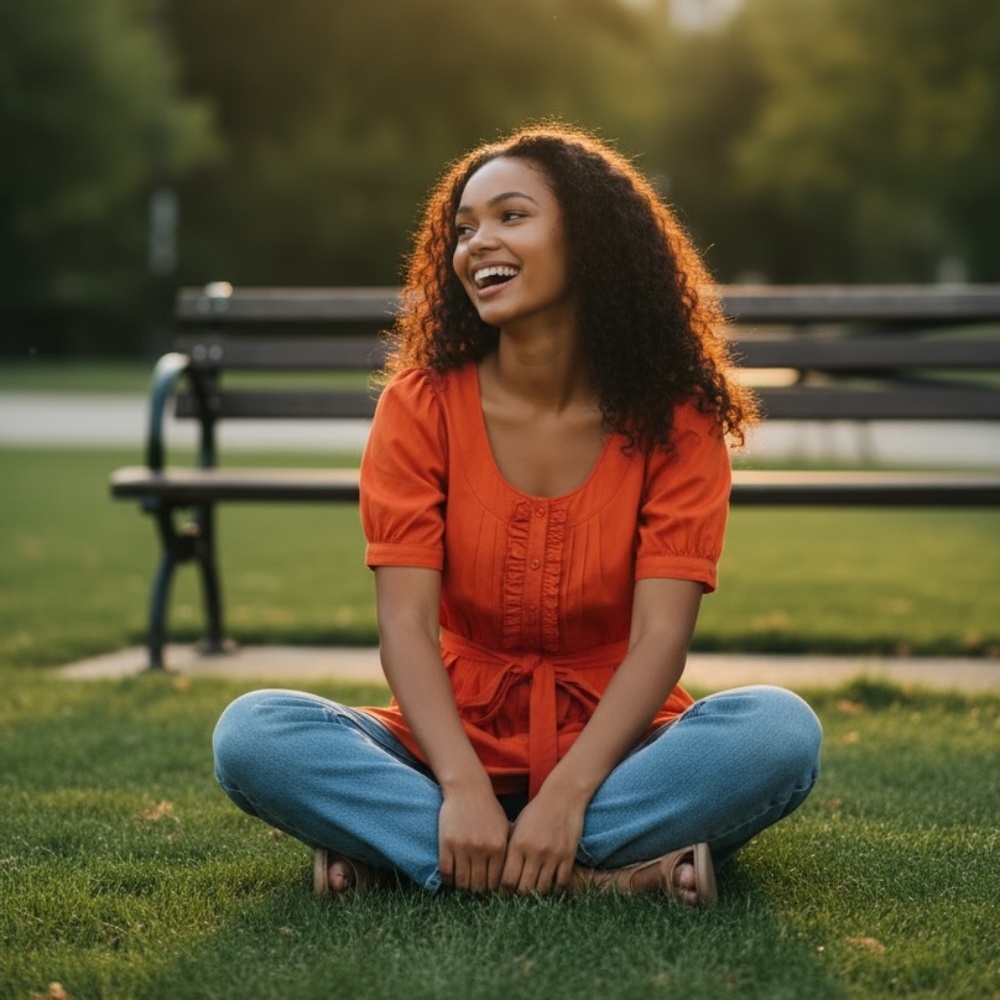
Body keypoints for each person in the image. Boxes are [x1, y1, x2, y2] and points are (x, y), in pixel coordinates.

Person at [213, 124, 822, 906]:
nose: (477, 243)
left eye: (510, 216)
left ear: (591, 238)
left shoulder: (679, 420)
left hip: (621, 755)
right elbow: (404, 625)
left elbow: (660, 637)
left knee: (779, 732)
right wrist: (463, 785)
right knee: (254, 733)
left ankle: (437, 855)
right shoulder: (420, 405)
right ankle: (589, 876)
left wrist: (566, 797)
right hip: (442, 752)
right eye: (463, 228)